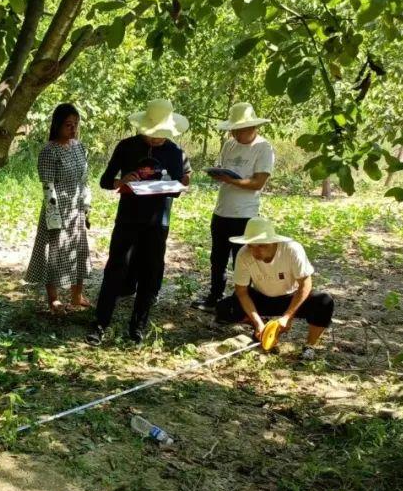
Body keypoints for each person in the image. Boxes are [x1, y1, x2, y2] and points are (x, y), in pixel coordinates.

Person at [89, 99, 191, 344]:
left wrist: (175, 184)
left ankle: (138, 326)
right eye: (151, 134)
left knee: (150, 271)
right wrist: (121, 181)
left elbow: (179, 185)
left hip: (158, 221)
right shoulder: (126, 147)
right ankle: (100, 323)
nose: (156, 140)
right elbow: (105, 180)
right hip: (128, 218)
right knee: (115, 268)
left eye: (161, 135)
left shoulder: (175, 153)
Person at [192, 102, 275, 311]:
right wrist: (219, 175)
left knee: (242, 259)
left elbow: (258, 183)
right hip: (222, 210)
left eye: (240, 130)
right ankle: (215, 297)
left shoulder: (263, 148)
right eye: (233, 130)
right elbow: (226, 170)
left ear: (253, 127)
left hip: (245, 214)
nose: (236, 134)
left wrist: (232, 181)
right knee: (217, 257)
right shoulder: (229, 144)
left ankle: (242, 303)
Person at [214, 217, 334, 361]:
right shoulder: (243, 254)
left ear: (273, 241)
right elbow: (242, 292)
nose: (255, 251)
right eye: (251, 246)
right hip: (261, 297)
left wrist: (288, 316)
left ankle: (309, 346)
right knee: (225, 308)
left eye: (261, 246)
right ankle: (262, 327)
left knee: (324, 302)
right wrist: (257, 322)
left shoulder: (291, 250)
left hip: (290, 297)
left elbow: (305, 283)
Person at [24, 103, 92, 313]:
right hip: (57, 209)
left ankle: (76, 295)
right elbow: (48, 185)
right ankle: (53, 299)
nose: (72, 129)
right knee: (53, 253)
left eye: (75, 124)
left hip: (76, 208)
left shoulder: (79, 147)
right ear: (57, 125)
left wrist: (87, 204)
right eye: (68, 125)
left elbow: (85, 179)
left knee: (78, 250)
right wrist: (54, 218)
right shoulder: (49, 151)